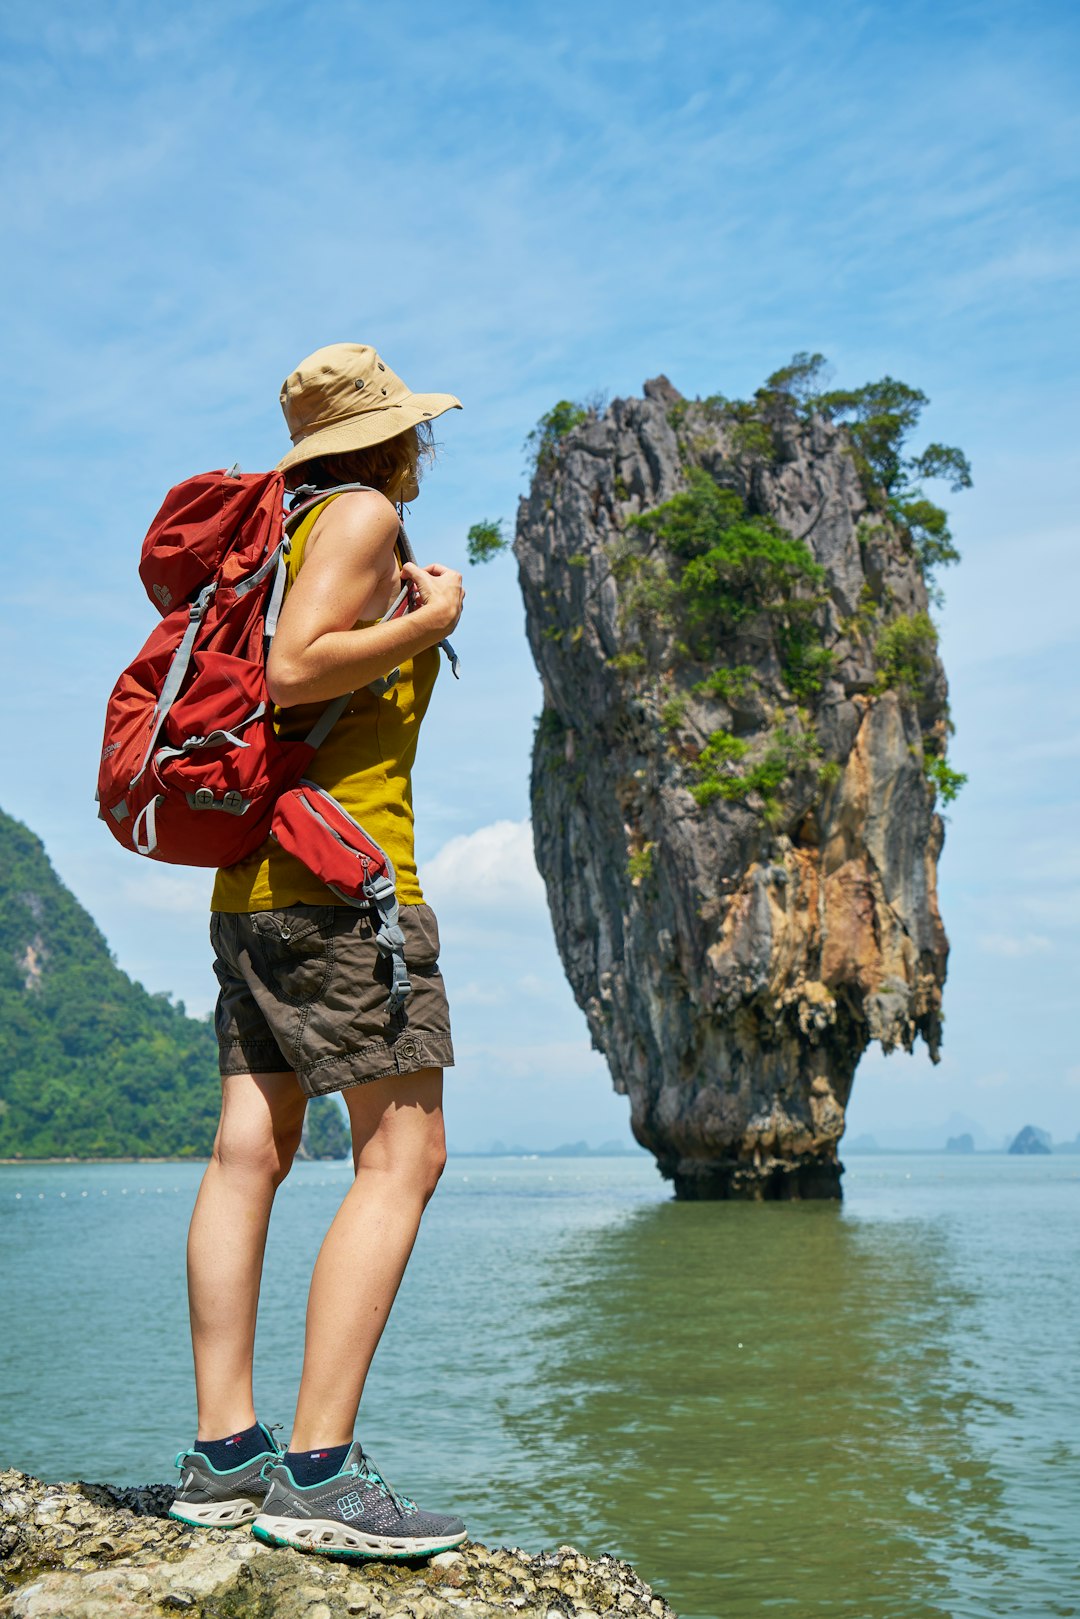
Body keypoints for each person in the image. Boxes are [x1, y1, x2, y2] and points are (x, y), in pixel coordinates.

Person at [169, 343, 467, 1559]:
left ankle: (225, 1456)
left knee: (249, 1151)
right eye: (415, 429)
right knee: (404, 1154)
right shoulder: (361, 516)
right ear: (390, 438)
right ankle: (320, 1473)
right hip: (345, 889)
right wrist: (432, 620)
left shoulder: (276, 533)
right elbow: (295, 673)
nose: (424, 446)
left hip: (253, 887)